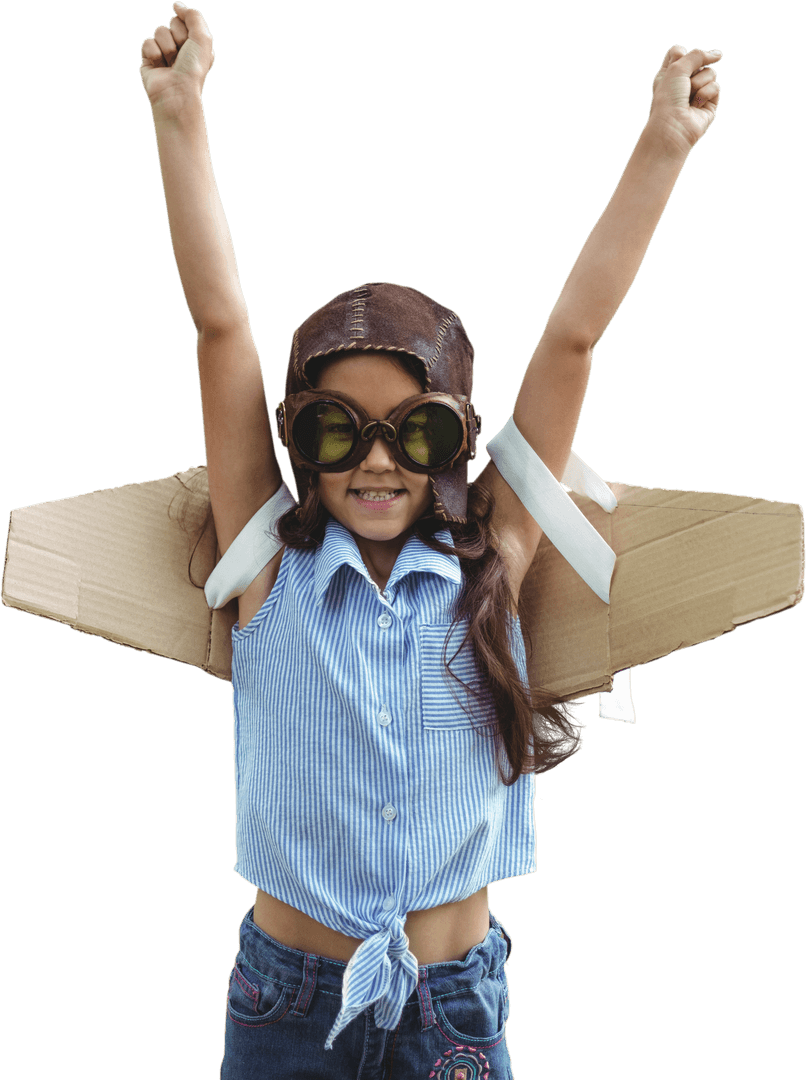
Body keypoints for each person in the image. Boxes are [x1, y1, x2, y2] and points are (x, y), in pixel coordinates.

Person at [140, 4, 721, 1077]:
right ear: (295, 441)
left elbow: (571, 337)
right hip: (286, 1003)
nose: (373, 462)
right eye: (333, 428)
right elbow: (220, 326)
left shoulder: (489, 566)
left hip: (450, 1004)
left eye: (413, 432)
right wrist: (181, 116)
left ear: (454, 442)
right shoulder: (266, 573)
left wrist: (661, 144)